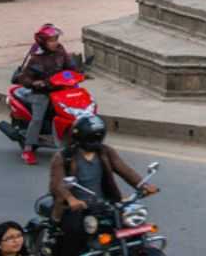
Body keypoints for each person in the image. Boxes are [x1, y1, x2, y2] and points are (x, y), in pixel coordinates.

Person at [48, 116, 156, 256]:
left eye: (97, 139)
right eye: (90, 139)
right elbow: (57, 184)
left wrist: (143, 185)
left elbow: (124, 169)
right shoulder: (64, 156)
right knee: (73, 234)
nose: (94, 142)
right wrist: (70, 199)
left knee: (130, 226)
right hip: (75, 207)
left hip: (104, 203)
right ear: (78, 137)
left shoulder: (105, 151)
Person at [10, 24, 78, 165]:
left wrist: (77, 72)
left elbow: (70, 66)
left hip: (59, 90)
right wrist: (35, 83)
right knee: (37, 119)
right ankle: (28, 150)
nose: (55, 43)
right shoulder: (36, 58)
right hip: (41, 93)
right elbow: (24, 78)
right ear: (43, 42)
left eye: (56, 39)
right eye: (52, 40)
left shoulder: (60, 51)